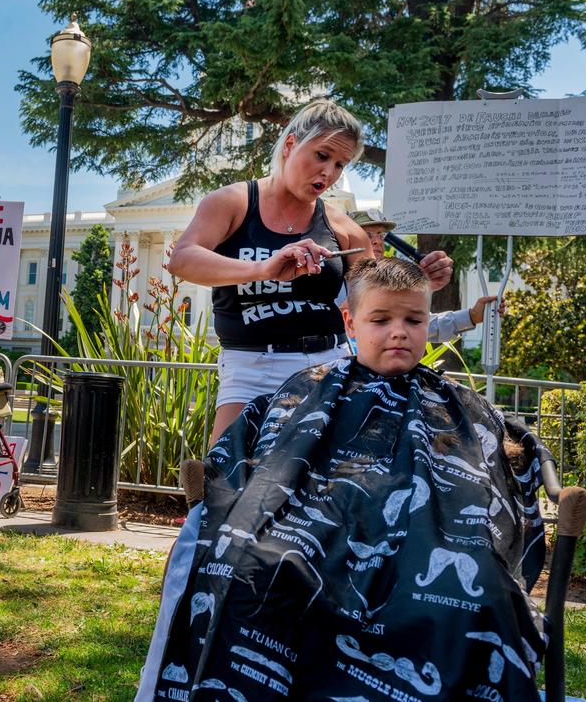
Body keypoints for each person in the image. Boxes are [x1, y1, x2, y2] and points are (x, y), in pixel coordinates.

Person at [137, 258, 547, 699]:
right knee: (248, 569)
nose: (398, 332)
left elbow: (502, 472)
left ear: (429, 321)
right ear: (350, 321)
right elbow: (256, 455)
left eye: (413, 319)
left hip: (432, 540)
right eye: (381, 319)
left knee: (483, 596)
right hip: (311, 530)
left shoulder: (460, 406)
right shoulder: (306, 388)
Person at [167, 100, 453, 443]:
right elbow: (181, 260)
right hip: (252, 363)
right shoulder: (233, 203)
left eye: (339, 164)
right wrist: (263, 269)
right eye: (322, 156)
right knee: (224, 476)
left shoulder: (344, 229)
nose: (329, 173)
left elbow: (375, 299)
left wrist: (421, 281)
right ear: (290, 145)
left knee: (329, 482)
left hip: (328, 363)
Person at [348, 209, 503, 342]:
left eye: (381, 235)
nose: (377, 241)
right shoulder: (332, 281)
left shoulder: (382, 280)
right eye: (367, 235)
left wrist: (473, 316)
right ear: (346, 237)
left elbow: (419, 326)